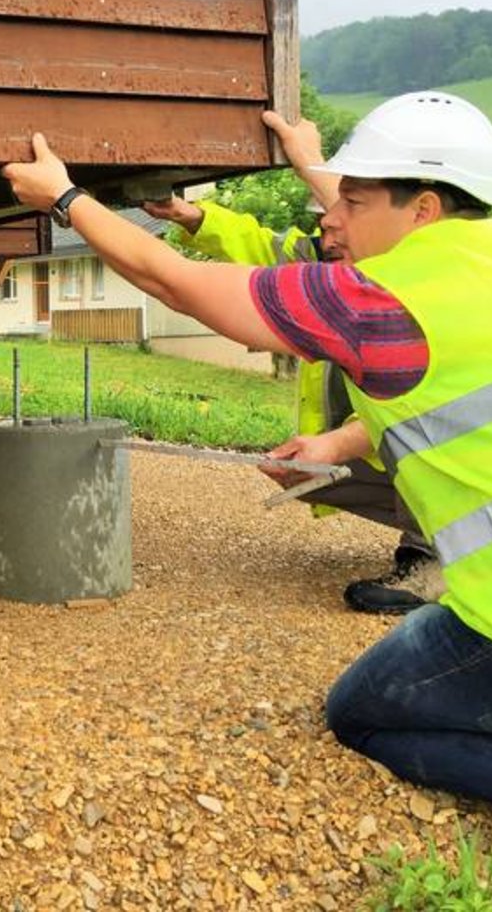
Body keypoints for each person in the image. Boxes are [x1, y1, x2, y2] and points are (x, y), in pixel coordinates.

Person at [3, 92, 492, 852]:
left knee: (361, 713)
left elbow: (173, 281)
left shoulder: (380, 298)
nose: (331, 219)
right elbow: (469, 393)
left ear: (423, 208)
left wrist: (64, 197)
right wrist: (340, 444)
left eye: (352, 201)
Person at [143, 117, 440, 614]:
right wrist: (191, 216)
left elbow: (423, 407)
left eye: (349, 208)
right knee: (310, 473)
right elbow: (266, 249)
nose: (330, 223)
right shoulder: (330, 257)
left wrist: (308, 160)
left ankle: (430, 563)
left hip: (453, 446)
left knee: (411, 445)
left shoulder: (422, 284)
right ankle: (451, 539)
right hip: (388, 433)